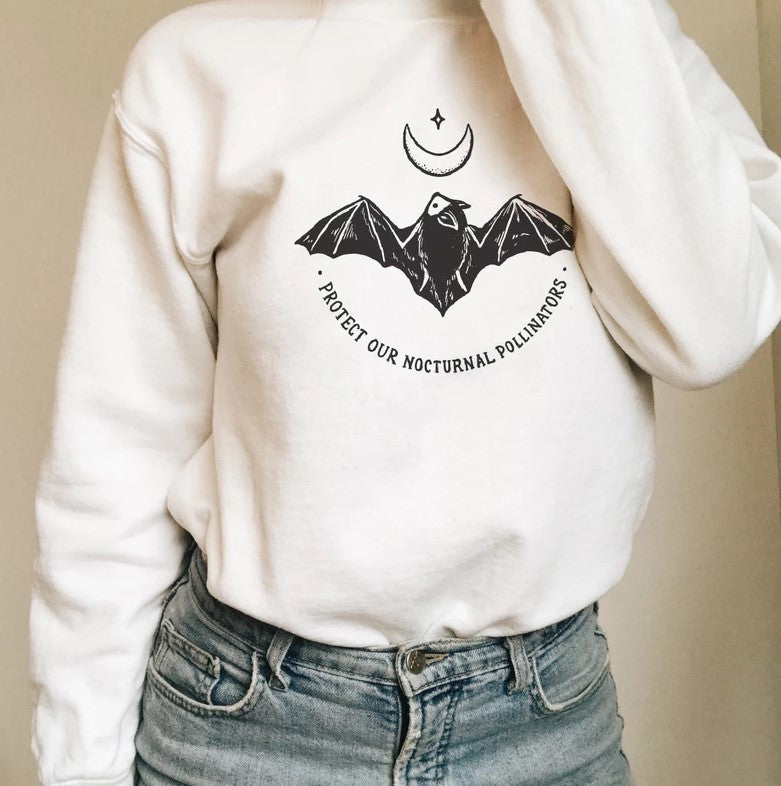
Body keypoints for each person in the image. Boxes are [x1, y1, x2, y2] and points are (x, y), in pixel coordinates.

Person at [29, 0, 781, 784]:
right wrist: (80, 761)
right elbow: (117, 448)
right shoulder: (201, 64)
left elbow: (707, 332)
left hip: (542, 717)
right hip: (251, 720)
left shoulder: (632, 45)